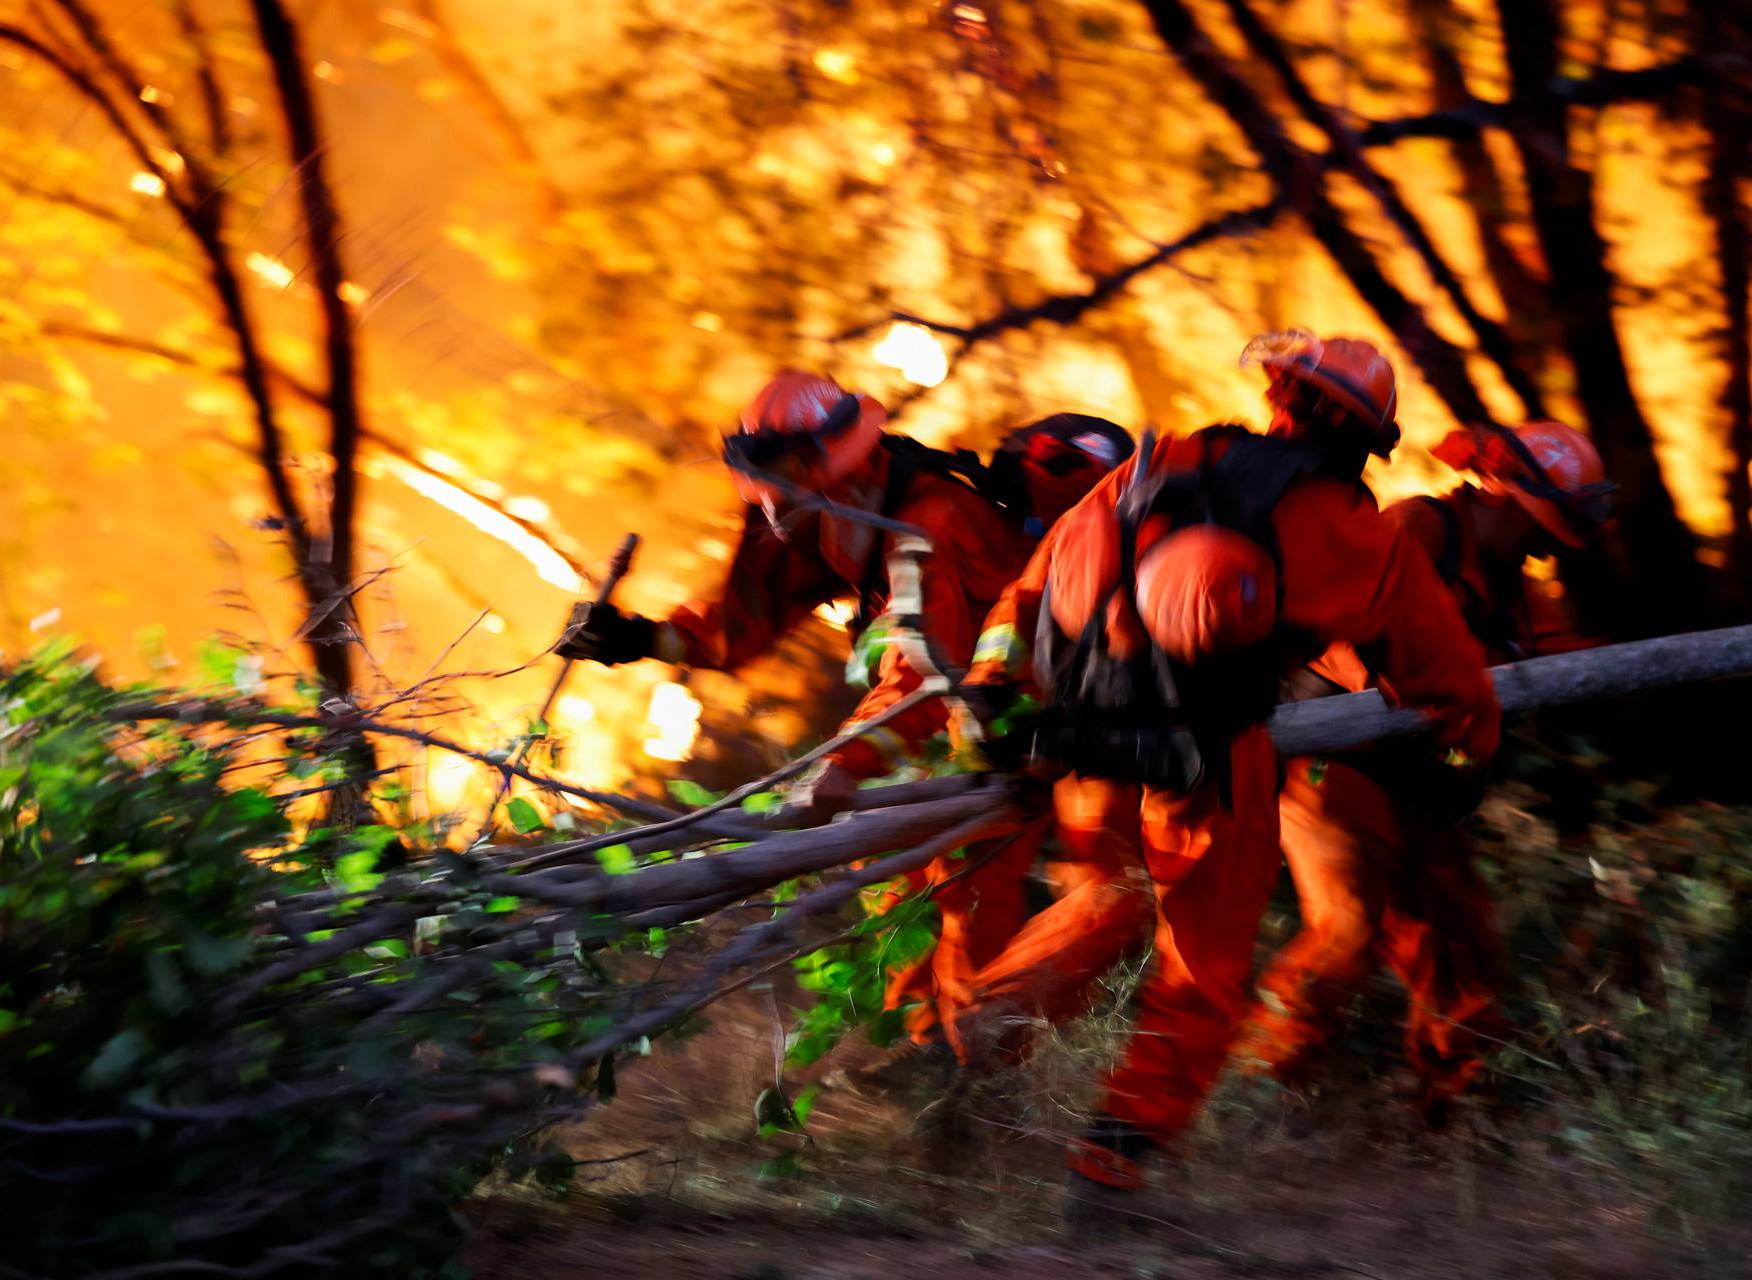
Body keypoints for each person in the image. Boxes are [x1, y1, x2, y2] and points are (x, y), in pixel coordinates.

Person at [950, 330, 1501, 1213]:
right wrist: (1463, 760)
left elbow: (1034, 583)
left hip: (1075, 731)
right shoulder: (1354, 530)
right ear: (1366, 439)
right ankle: (1113, 1163)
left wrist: (988, 692)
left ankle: (970, 1046)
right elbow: (1447, 678)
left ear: (1279, 399)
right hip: (1208, 754)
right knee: (1201, 966)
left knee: (1100, 898)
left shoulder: (1157, 461)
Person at [554, 370, 1131, 1047]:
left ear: (830, 458)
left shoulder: (928, 523)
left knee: (973, 890)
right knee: (901, 885)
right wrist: (636, 636)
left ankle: (985, 1065)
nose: (772, 495)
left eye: (786, 469)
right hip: (976, 714)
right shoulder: (840, 512)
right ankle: (918, 1045)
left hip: (1044, 711)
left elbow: (920, 670)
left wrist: (844, 763)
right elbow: (750, 617)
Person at [1235, 419, 1616, 1118]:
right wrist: (1410, 681)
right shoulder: (1419, 530)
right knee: (1347, 927)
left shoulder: (1511, 590)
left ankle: (1457, 1117)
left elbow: (1560, 655)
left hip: (1416, 784)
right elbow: (1332, 629)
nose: (1540, 550)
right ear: (1504, 496)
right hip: (1333, 765)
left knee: (1461, 948)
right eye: (1539, 528)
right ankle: (1254, 1095)